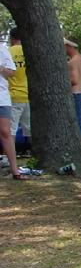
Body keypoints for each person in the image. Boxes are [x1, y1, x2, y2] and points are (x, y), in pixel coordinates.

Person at [0, 43, 26, 180]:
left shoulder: (2, 49)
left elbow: (11, 72)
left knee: (6, 131)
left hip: (2, 97)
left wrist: (1, 68)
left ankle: (15, 170)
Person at [8, 27, 31, 153]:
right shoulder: (28, 51)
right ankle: (33, 154)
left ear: (12, 38)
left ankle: (9, 155)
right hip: (29, 95)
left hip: (13, 96)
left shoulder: (8, 52)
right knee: (30, 129)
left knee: (10, 130)